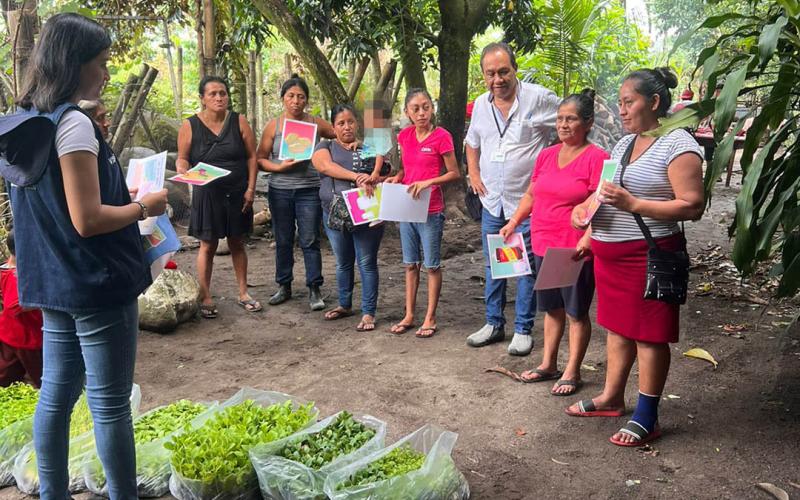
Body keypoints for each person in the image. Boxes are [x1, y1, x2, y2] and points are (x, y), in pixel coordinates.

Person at [0, 13, 168, 498]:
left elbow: (57, 205)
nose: (107, 73)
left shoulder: (27, 118)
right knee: (110, 402)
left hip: (52, 279)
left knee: (55, 392)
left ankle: (52, 492)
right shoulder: (73, 124)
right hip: (94, 281)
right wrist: (143, 205)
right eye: (101, 62)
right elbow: (87, 219)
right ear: (74, 64)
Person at [566, 68, 704, 447]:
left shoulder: (678, 144)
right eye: (621, 103)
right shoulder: (624, 145)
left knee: (648, 336)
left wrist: (634, 204)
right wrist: (586, 221)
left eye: (629, 102)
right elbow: (604, 195)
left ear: (654, 102)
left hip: (648, 257)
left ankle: (647, 415)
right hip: (611, 258)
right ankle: (612, 396)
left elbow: (692, 206)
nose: (622, 111)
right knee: (618, 328)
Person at [499, 89, 609, 395]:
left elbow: (600, 202)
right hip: (543, 244)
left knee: (575, 312)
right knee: (552, 309)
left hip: (573, 248)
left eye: (571, 119)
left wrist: (588, 237)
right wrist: (513, 222)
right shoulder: (547, 155)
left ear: (587, 123)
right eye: (560, 118)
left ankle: (572, 371)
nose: (563, 124)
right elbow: (532, 194)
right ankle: (548, 363)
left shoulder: (597, 158)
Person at [464, 42, 560, 356]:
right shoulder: (480, 104)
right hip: (493, 200)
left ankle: (522, 328)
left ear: (515, 69)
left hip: (527, 201)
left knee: (525, 267)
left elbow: (570, 125)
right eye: (490, 73)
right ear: (483, 76)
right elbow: (472, 142)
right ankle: (494, 323)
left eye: (503, 71)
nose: (497, 79)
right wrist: (474, 174)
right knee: (495, 264)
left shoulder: (540, 98)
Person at [176, 76, 261, 318]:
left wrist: (251, 189)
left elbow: (251, 157)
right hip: (207, 193)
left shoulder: (239, 121)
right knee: (208, 244)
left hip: (237, 191)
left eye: (222, 93)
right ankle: (206, 296)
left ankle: (243, 292)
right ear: (202, 98)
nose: (219, 98)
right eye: (212, 94)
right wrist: (182, 168)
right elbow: (182, 158)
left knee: (237, 241)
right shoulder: (190, 125)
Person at [386, 88, 460, 338]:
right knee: (410, 264)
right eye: (415, 108)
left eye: (425, 107)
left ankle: (430, 317)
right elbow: (406, 170)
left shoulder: (442, 137)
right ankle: (409, 314)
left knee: (431, 265)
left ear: (432, 108)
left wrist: (430, 183)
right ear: (407, 112)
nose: (421, 113)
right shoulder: (405, 136)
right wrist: (398, 178)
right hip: (407, 208)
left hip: (432, 210)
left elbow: (454, 173)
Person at [256, 75, 335, 310]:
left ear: (306, 101)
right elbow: (261, 159)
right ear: (283, 99)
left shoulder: (315, 123)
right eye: (291, 96)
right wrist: (279, 167)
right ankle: (284, 285)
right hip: (280, 190)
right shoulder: (274, 125)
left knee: (309, 239)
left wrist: (345, 146)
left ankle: (314, 288)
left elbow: (338, 134)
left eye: (301, 97)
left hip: (309, 189)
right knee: (283, 239)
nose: (296, 101)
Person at [311, 104, 384, 331]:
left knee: (366, 262)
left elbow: (386, 170)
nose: (346, 127)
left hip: (366, 214)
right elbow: (325, 166)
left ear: (357, 123)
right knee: (343, 262)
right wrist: (356, 177)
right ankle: (344, 304)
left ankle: (368, 312)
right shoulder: (326, 146)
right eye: (341, 123)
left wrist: (369, 170)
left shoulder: (368, 147)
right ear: (333, 127)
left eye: (350, 121)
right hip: (334, 214)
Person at [0, 230, 44, 388]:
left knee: (7, 371)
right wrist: (44, 301)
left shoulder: (5, 268)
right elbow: (15, 306)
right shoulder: (15, 276)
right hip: (24, 336)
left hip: (11, 332)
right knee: (41, 376)